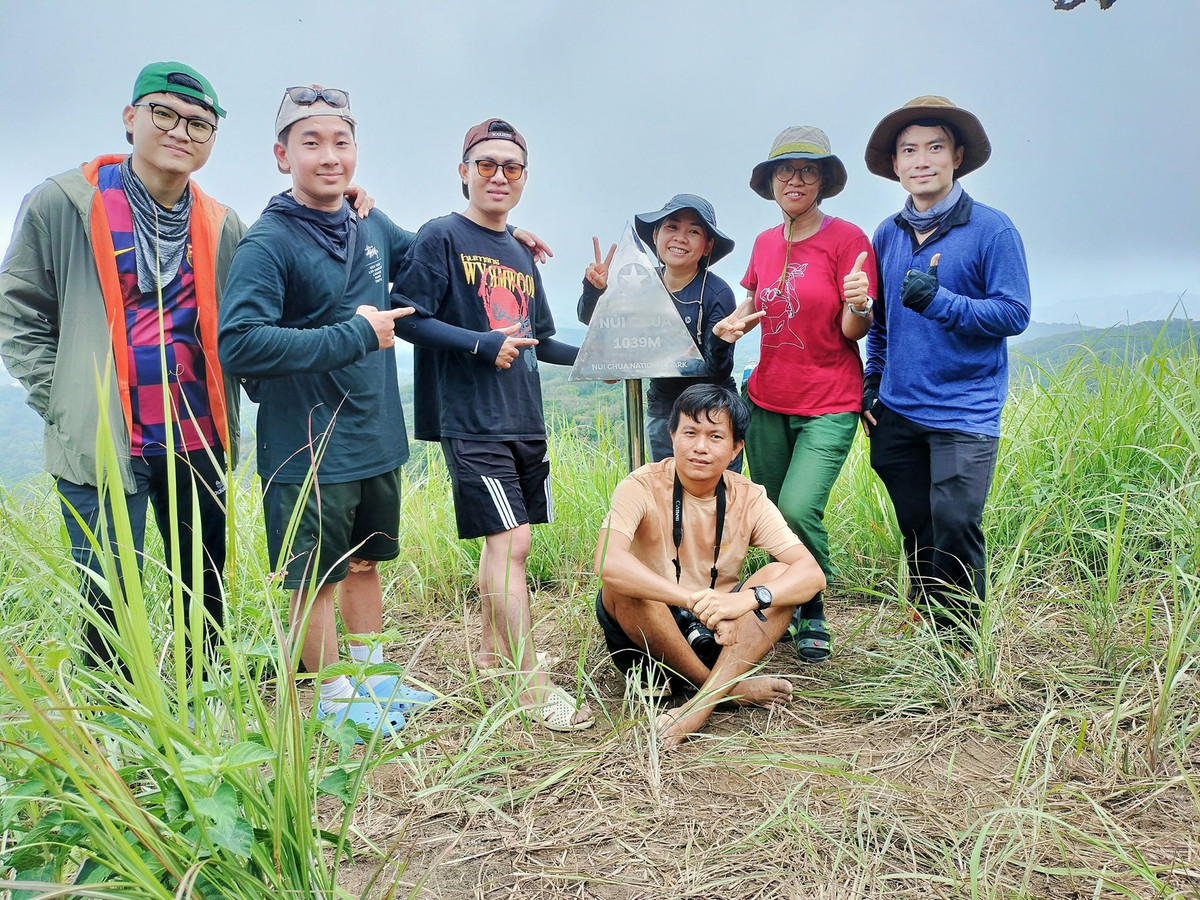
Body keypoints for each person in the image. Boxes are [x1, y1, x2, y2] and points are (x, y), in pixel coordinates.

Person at [0, 62, 246, 676]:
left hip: (199, 441)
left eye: (199, 123)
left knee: (205, 599)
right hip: (103, 441)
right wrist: (61, 398)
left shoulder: (223, 224)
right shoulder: (62, 203)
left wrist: (347, 203)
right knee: (108, 604)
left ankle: (204, 714)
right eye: (164, 113)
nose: (181, 131)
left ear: (212, 140)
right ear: (131, 117)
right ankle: (119, 738)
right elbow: (17, 309)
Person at [218, 85, 433, 738]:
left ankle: (371, 678)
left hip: (374, 433)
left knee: (365, 559)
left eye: (340, 141)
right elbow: (239, 340)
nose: (329, 156)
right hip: (307, 442)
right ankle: (334, 694)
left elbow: (427, 251)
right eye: (311, 142)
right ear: (283, 156)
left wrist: (498, 232)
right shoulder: (269, 242)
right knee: (314, 575)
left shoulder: (369, 222)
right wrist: (356, 334)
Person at [392, 117, 593, 732]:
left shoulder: (520, 251)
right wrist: (480, 345)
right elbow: (407, 318)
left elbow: (541, 340)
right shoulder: (440, 237)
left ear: (524, 178)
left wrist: (601, 360)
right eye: (486, 165)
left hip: (524, 416)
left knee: (509, 544)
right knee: (513, 545)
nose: (499, 176)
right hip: (472, 417)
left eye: (512, 167)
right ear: (464, 172)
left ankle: (489, 657)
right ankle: (530, 685)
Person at [859, 95, 1030, 644]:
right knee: (918, 525)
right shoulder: (886, 234)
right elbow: (882, 322)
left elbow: (1014, 312)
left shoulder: (992, 229)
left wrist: (942, 303)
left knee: (956, 522)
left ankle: (960, 644)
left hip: (965, 410)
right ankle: (929, 614)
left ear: (957, 155)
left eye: (935, 147)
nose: (921, 160)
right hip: (899, 409)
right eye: (909, 150)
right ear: (896, 165)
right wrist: (872, 383)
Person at [712, 127, 877, 663]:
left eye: (808, 171)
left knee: (799, 508)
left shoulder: (848, 239)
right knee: (773, 521)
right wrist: (733, 326)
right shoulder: (763, 243)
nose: (795, 180)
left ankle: (814, 605)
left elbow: (854, 331)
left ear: (824, 181)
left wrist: (860, 304)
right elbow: (755, 307)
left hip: (830, 399)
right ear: (772, 182)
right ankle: (790, 604)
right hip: (766, 399)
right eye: (785, 171)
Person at [593, 384, 826, 749]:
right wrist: (689, 599)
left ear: (736, 448)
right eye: (690, 432)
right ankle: (723, 691)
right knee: (623, 584)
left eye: (715, 436)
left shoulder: (748, 496)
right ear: (672, 436)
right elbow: (608, 562)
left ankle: (699, 702)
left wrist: (746, 601)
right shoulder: (640, 484)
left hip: (721, 630)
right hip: (648, 632)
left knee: (780, 577)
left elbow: (811, 574)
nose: (700, 447)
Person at [577, 194, 740, 467]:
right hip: (664, 412)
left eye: (694, 231)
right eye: (672, 227)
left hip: (712, 416)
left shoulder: (717, 292)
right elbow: (593, 321)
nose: (680, 238)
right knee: (666, 500)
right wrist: (595, 289)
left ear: (708, 245)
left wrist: (718, 342)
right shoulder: (640, 282)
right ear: (656, 234)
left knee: (714, 504)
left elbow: (719, 370)